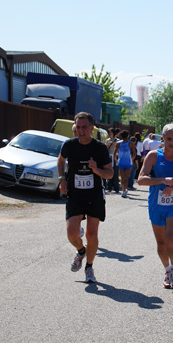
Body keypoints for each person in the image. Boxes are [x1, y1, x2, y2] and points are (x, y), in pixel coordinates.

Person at [137, 123, 173, 288]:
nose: (172, 142)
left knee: (171, 240)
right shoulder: (153, 156)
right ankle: (167, 269)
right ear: (162, 138)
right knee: (161, 243)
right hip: (156, 204)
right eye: (169, 138)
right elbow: (141, 179)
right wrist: (162, 180)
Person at [57, 111, 113, 283]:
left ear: (91, 128)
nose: (81, 131)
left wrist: (96, 169)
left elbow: (110, 173)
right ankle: (81, 251)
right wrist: (62, 179)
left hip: (94, 195)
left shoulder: (100, 148)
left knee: (91, 234)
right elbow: (60, 161)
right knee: (72, 233)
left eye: (84, 127)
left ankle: (89, 266)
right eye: (78, 127)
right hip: (75, 194)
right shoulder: (69, 145)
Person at [114, 130, 136, 198]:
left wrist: (116, 160)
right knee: (126, 177)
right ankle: (124, 190)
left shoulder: (118, 143)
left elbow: (115, 153)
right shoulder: (130, 143)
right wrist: (132, 160)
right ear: (128, 136)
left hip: (121, 162)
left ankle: (124, 190)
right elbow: (134, 153)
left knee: (122, 178)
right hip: (128, 162)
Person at [105, 127, 120, 193]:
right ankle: (109, 187)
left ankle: (116, 187)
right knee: (109, 171)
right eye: (109, 133)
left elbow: (119, 149)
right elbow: (105, 150)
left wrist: (115, 145)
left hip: (115, 158)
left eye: (111, 133)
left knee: (116, 171)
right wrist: (108, 146)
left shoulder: (117, 140)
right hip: (109, 157)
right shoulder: (107, 140)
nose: (110, 134)